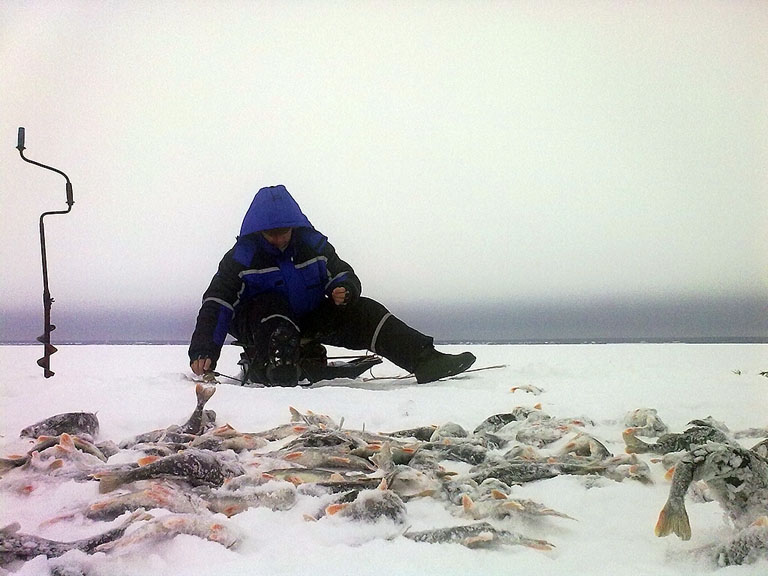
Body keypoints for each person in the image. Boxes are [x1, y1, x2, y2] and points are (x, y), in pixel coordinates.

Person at [189, 185, 475, 386]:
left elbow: (343, 273)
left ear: (294, 225)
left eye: (283, 231)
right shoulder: (240, 258)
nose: (278, 238)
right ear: (257, 230)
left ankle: (425, 360)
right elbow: (218, 303)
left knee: (365, 311)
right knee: (273, 308)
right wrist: (204, 350)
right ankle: (278, 371)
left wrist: (345, 289)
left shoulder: (314, 246)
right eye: (270, 234)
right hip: (261, 326)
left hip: (308, 319)